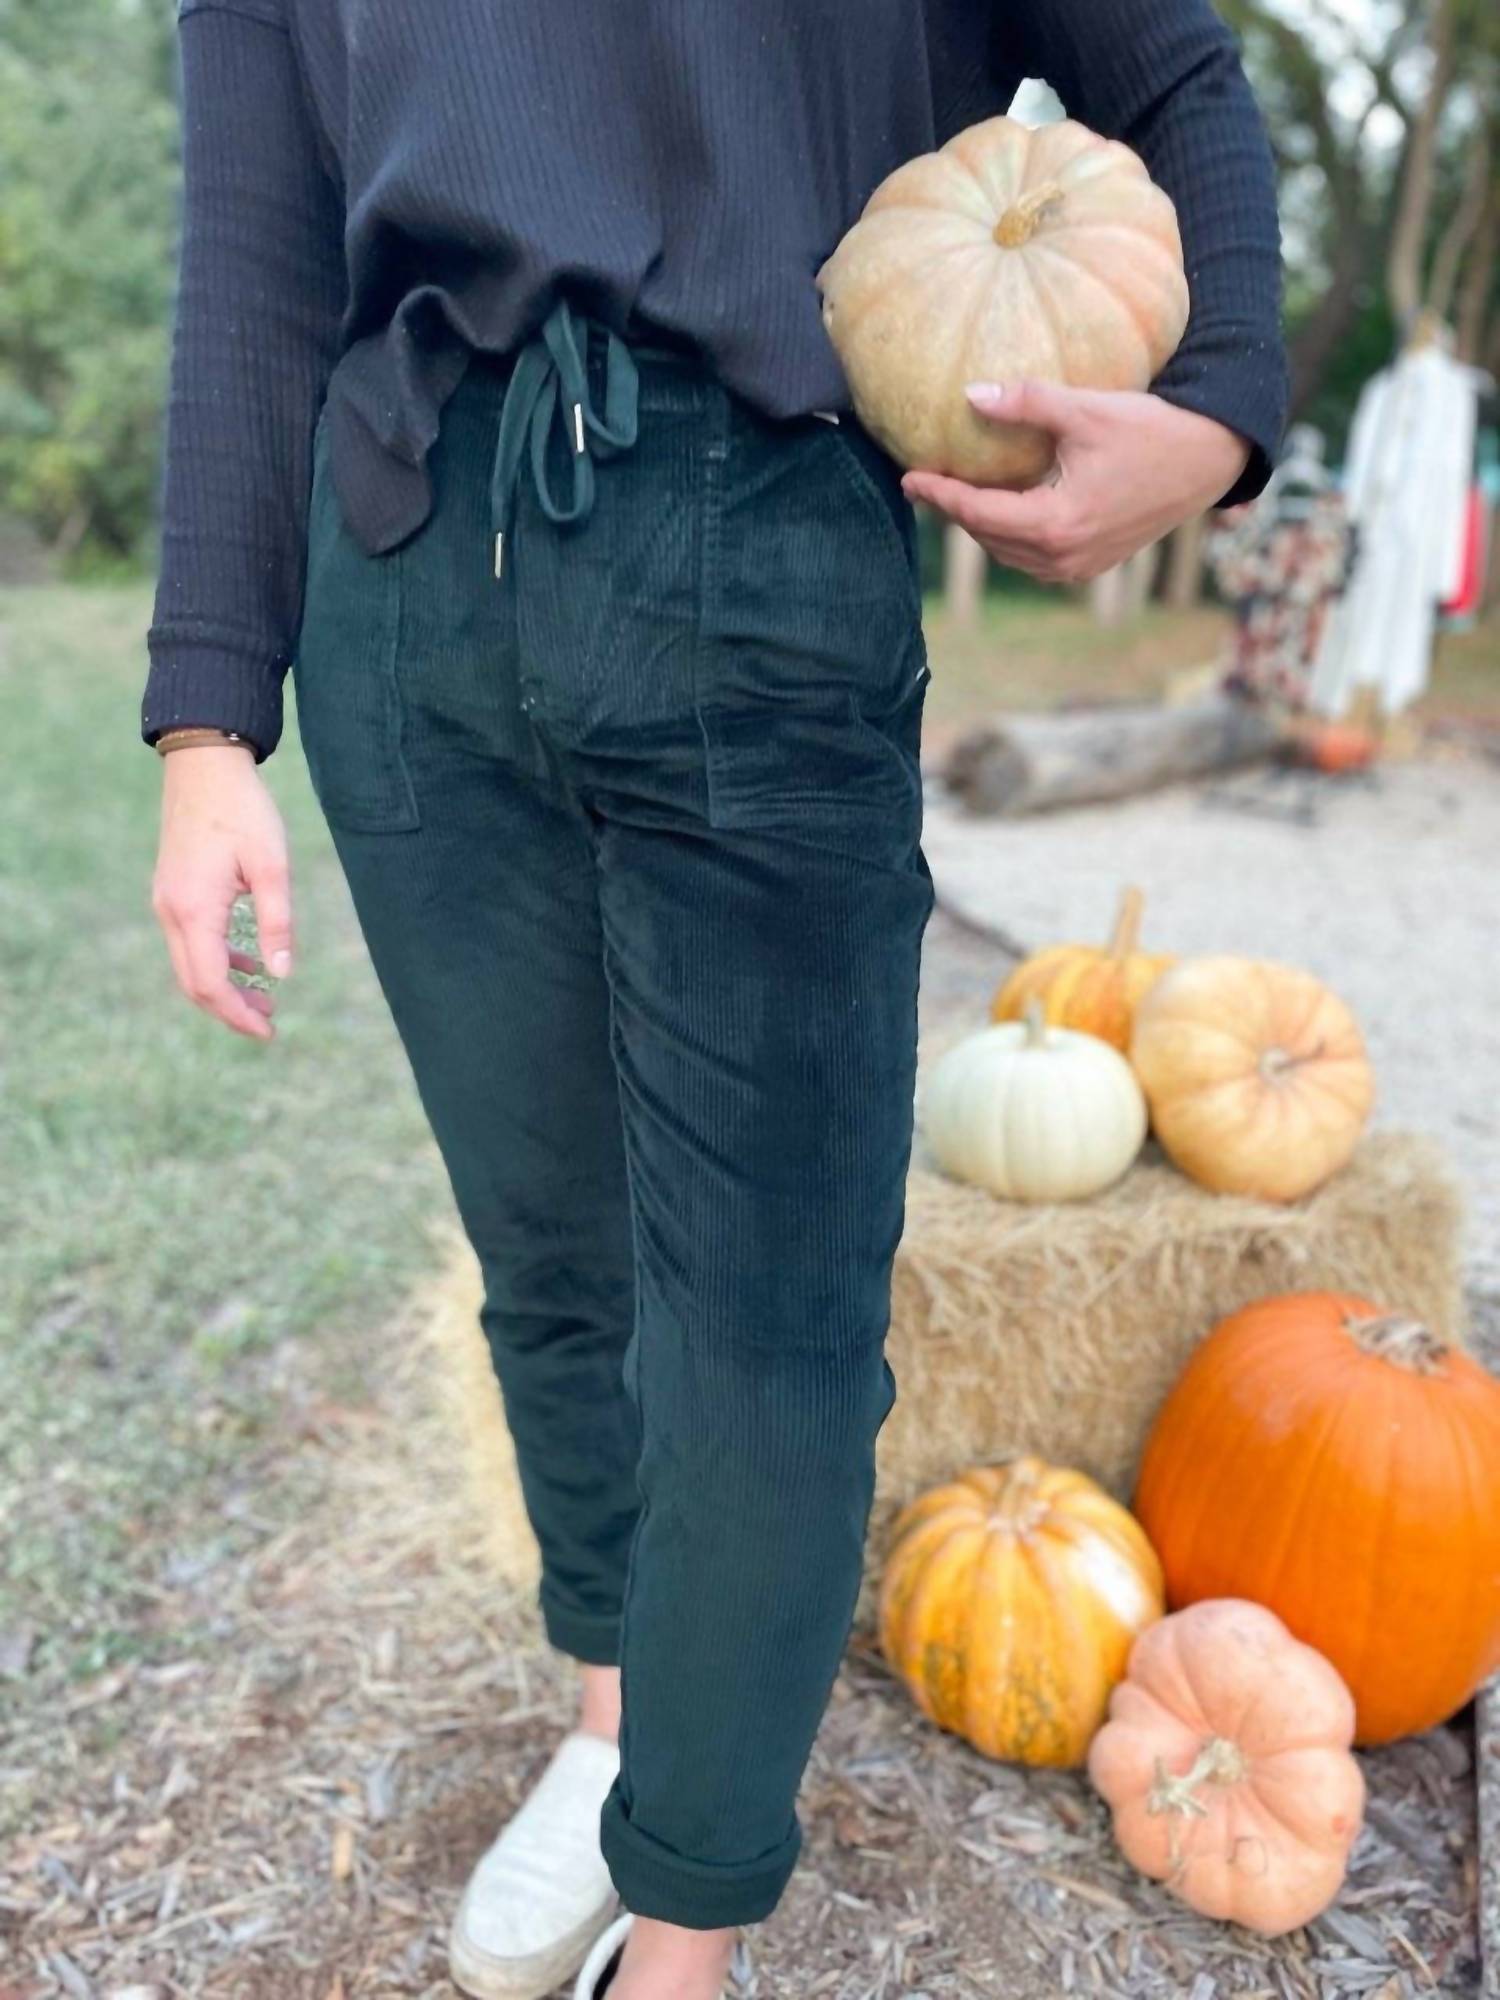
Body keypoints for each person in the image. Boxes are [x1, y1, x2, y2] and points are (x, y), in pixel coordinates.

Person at [143, 4, 1285, 1995]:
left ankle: (684, 1927)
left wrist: (1225, 402)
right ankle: (614, 1727)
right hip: (402, 561)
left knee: (764, 1327)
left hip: (756, 525)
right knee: (551, 1258)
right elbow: (253, 239)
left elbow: (1169, 66)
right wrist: (209, 715)